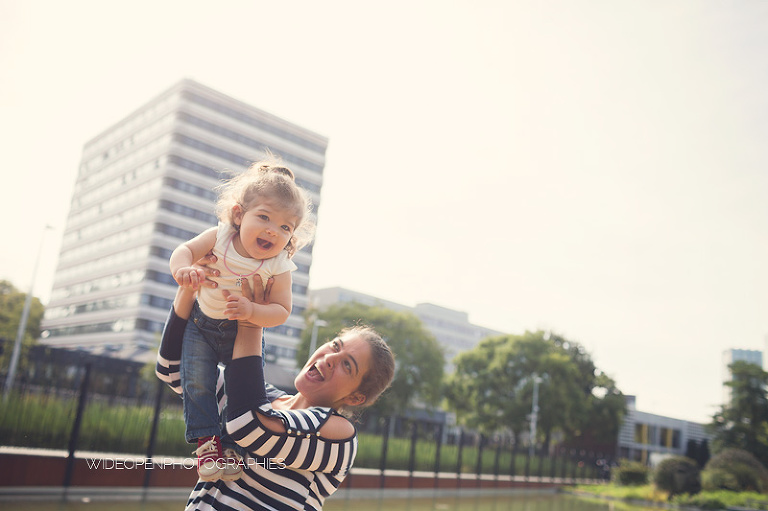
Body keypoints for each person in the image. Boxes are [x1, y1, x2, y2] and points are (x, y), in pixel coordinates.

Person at [156, 274, 396, 511]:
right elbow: (173, 368)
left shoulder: (339, 435)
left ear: (355, 398)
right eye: (336, 345)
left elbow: (249, 427)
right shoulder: (262, 398)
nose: (331, 358)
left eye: (347, 365)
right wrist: (189, 288)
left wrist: (252, 320)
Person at [168, 158, 315, 480]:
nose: (272, 230)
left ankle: (233, 446)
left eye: (285, 227)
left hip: (241, 335)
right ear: (238, 214)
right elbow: (182, 251)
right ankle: (208, 443)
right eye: (264, 217)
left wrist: (251, 312)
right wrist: (184, 271)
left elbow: (281, 310)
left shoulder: (278, 265)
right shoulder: (218, 238)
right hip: (201, 327)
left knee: (241, 391)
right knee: (197, 381)